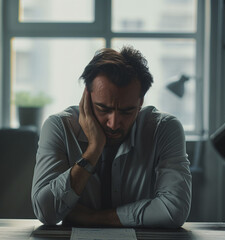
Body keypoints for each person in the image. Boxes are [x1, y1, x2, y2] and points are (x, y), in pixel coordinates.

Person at [31, 46, 191, 228]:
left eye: (127, 111)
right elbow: (45, 212)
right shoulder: (59, 127)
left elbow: (173, 211)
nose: (114, 123)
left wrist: (92, 218)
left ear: (141, 102)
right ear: (87, 97)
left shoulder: (164, 129)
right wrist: (93, 150)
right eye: (103, 109)